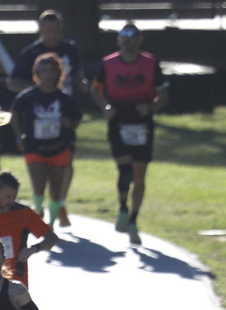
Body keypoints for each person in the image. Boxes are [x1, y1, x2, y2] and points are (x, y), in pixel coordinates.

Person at [91, 22, 169, 245]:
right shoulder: (108, 63)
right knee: (124, 169)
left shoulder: (150, 63)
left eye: (131, 35)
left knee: (139, 175)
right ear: (118, 40)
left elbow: (163, 94)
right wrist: (105, 107)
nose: (127, 39)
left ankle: (134, 220)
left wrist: (151, 107)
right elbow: (95, 89)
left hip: (141, 121)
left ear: (139, 39)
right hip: (118, 121)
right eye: (123, 35)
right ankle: (123, 207)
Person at [10, 54, 81, 227]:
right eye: (44, 71)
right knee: (39, 185)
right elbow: (14, 116)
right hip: (34, 148)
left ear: (59, 73)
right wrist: (20, 135)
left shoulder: (65, 98)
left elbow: (76, 119)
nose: (48, 75)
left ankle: (50, 224)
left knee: (56, 190)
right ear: (37, 74)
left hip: (58, 148)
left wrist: (68, 123)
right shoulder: (27, 97)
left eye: (52, 71)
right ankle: (38, 208)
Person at [9, 9, 85, 95]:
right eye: (49, 31)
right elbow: (12, 83)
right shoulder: (30, 53)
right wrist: (36, 89)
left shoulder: (71, 49)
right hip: (39, 101)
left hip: (66, 99)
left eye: (56, 31)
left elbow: (79, 75)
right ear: (41, 31)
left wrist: (82, 84)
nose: (53, 35)